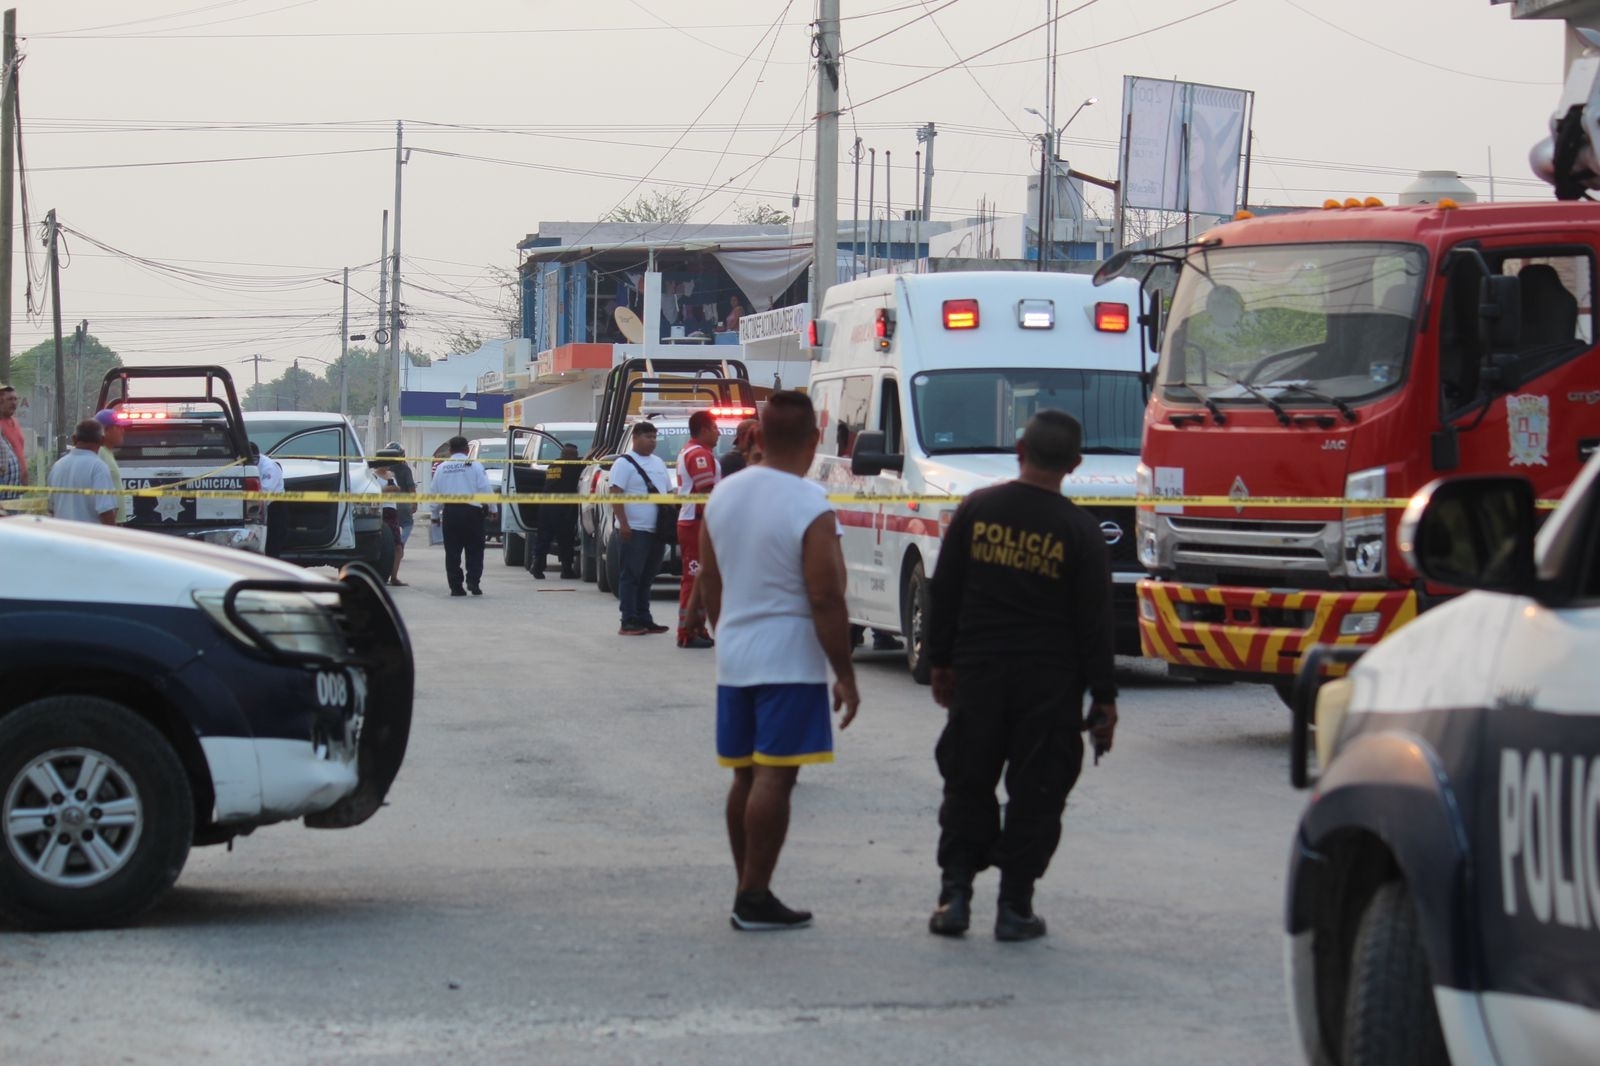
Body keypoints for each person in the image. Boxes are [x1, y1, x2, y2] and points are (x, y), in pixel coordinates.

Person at [924, 409, 1119, 942]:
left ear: (1019, 450)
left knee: (968, 783)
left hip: (978, 676)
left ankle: (955, 895)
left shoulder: (977, 509)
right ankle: (1015, 907)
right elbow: (1095, 624)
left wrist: (939, 661)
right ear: (1075, 464)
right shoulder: (1080, 530)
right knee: (1038, 792)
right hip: (1049, 687)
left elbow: (945, 591)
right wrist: (1104, 698)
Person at [696, 391, 860, 931]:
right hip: (788, 659)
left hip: (736, 655)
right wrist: (845, 673)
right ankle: (755, 894)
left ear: (758, 438)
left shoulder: (722, 496)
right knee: (776, 777)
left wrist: (728, 633)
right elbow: (826, 595)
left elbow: (710, 579)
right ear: (815, 440)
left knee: (744, 776)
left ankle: (749, 888)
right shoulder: (810, 503)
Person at [607, 421, 672, 636]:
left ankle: (645, 618)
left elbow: (668, 493)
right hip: (634, 530)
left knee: (647, 577)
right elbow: (615, 494)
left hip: (657, 531)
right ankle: (628, 620)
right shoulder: (624, 464)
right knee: (631, 575)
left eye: (655, 437)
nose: (652, 441)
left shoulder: (659, 463)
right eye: (648, 437)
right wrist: (623, 524)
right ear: (635, 437)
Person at [675, 411, 722, 648]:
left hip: (697, 521)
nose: (719, 433)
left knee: (703, 578)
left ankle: (698, 626)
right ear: (703, 429)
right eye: (715, 428)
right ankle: (687, 631)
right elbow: (706, 491)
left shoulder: (695, 452)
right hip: (697, 522)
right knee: (694, 579)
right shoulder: (698, 454)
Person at [429, 435, 495, 597]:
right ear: (467, 450)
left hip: (451, 513)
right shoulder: (475, 465)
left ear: (450, 451)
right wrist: (493, 509)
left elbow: (434, 493)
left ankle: (456, 587)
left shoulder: (442, 467)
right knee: (475, 549)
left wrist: (434, 514)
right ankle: (473, 581)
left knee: (452, 552)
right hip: (472, 513)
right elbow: (485, 488)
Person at [47, 418, 118, 525]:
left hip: (62, 537)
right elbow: (106, 511)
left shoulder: (57, 466)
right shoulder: (99, 468)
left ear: (74, 439)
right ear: (102, 440)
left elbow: (51, 509)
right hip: (89, 538)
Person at [532, 442, 581, 579]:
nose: (577, 458)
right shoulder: (570, 467)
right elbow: (582, 465)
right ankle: (566, 570)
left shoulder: (552, 466)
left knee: (543, 538)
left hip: (545, 507)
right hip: (561, 508)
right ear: (568, 456)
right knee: (565, 540)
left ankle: (537, 566)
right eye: (575, 455)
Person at [376, 443, 417, 586]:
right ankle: (379, 574)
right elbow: (371, 493)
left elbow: (399, 488)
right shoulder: (372, 476)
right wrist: (386, 489)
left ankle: (394, 576)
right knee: (379, 545)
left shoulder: (392, 474)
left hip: (392, 510)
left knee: (397, 546)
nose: (388, 464)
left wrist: (394, 488)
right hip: (379, 512)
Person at [92, 409, 130, 523]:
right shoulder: (100, 453)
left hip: (116, 522)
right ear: (105, 430)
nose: (123, 431)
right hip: (110, 524)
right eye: (118, 427)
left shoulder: (107, 453)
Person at [250, 443, 288, 557]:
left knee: (272, 543)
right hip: (257, 507)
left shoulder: (268, 466)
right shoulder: (244, 463)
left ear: (258, 455)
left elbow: (265, 493)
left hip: (275, 507)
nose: (253, 461)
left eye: (254, 459)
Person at [0, 384, 25, 487]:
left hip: (17, 484)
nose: (14, 403)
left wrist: (24, 473)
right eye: (10, 399)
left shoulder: (15, 421)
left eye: (15, 399)